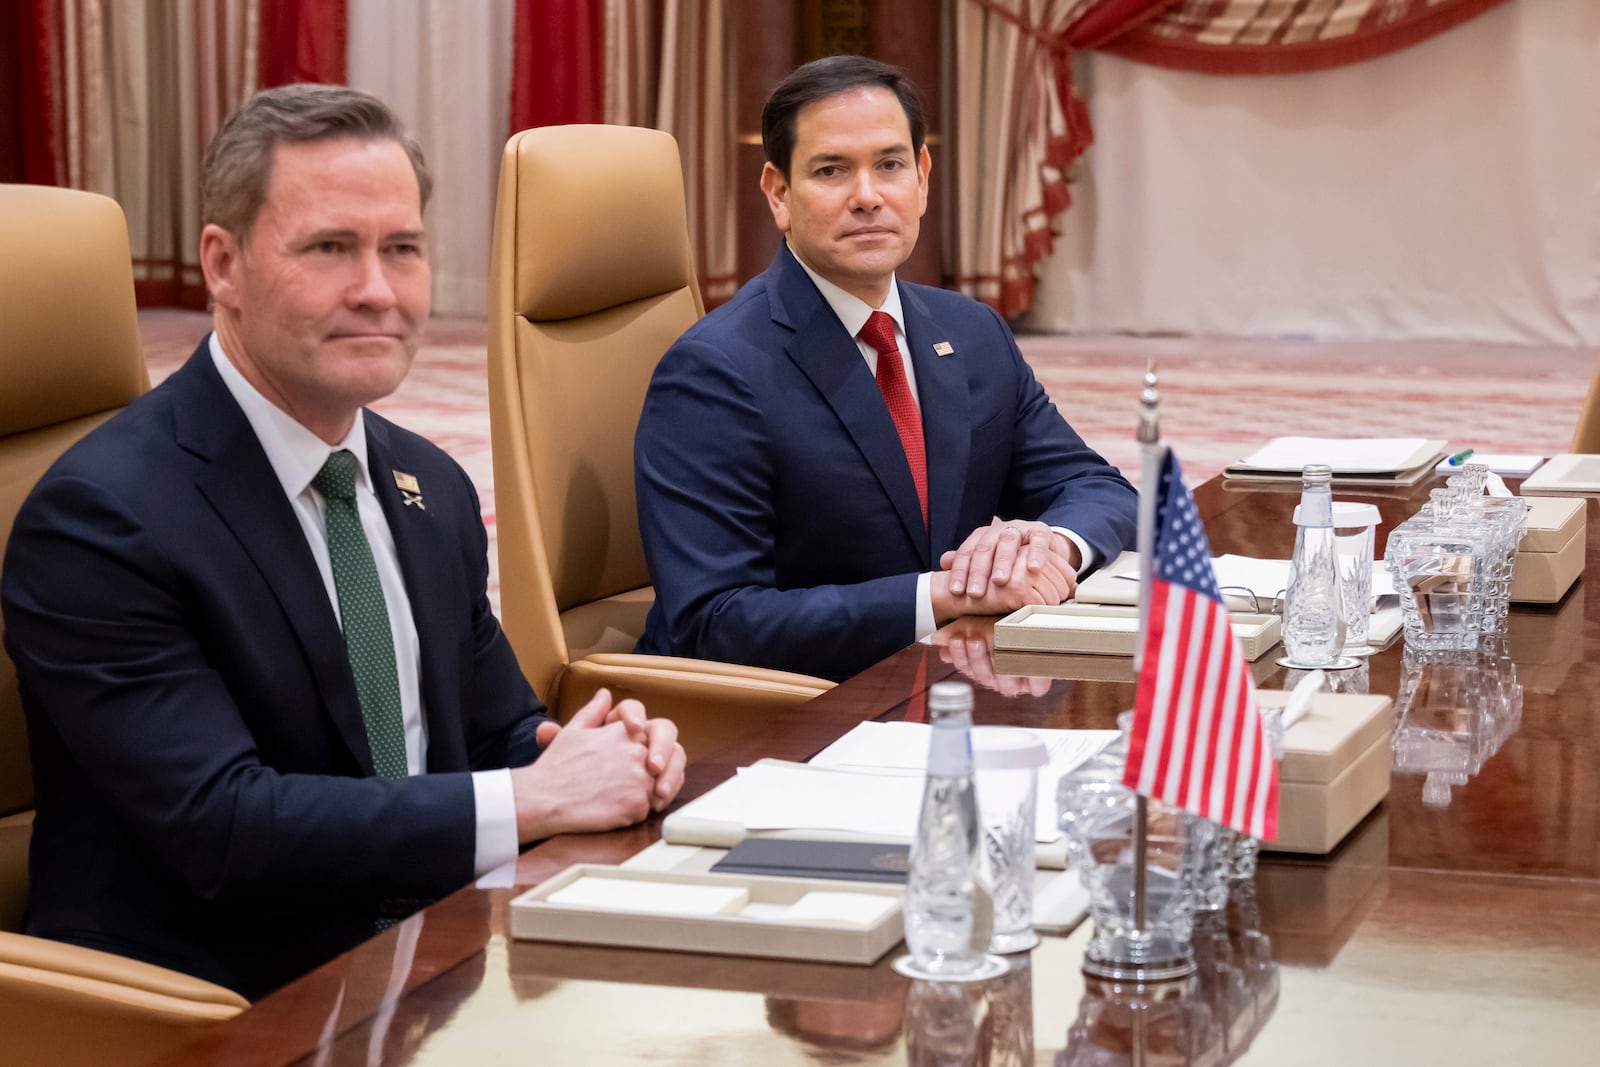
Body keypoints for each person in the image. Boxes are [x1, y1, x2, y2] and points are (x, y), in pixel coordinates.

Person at [0, 84, 684, 1000]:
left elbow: (494, 731)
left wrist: (595, 753)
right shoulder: (101, 518)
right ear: (223, 264)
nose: (376, 289)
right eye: (330, 248)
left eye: (401, 249)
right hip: (218, 1005)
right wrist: (532, 799)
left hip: (432, 965)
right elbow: (225, 826)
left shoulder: (428, 485)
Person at [633, 55, 1138, 682]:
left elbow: (1101, 490)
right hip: (788, 715)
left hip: (949, 686)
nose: (868, 196)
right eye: (831, 171)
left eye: (890, 165)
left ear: (923, 179)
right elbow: (712, 622)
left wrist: (1045, 544)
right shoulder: (716, 371)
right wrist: (944, 596)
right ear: (779, 193)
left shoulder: (972, 332)